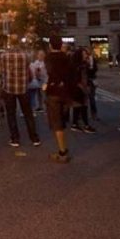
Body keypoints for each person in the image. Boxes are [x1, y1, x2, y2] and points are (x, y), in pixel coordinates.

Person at [0, 34, 41, 148]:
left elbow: (3, 71)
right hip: (23, 88)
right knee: (28, 113)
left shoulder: (4, 56)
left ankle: (15, 138)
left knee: (11, 114)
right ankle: (34, 138)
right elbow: (28, 68)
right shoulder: (25, 55)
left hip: (9, 88)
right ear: (18, 42)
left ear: (9, 42)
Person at [44, 35, 73, 163]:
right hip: (65, 93)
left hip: (54, 92)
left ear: (50, 45)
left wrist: (50, 84)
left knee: (57, 123)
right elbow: (70, 74)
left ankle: (62, 152)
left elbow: (50, 73)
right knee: (62, 120)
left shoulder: (49, 57)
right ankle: (63, 148)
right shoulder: (66, 57)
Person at [70, 48, 96, 134]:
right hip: (79, 89)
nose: (86, 55)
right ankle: (84, 125)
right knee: (81, 106)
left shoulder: (83, 65)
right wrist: (84, 88)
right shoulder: (79, 67)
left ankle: (77, 124)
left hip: (80, 88)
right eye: (84, 54)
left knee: (79, 107)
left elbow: (91, 73)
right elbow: (79, 79)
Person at [85, 48, 99, 121]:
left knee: (92, 98)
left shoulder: (93, 59)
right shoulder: (83, 60)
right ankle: (83, 115)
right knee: (85, 99)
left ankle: (94, 114)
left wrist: (91, 69)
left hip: (92, 80)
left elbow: (95, 68)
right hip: (85, 80)